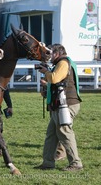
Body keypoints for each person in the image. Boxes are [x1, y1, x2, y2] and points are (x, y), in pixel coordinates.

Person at [34, 43, 83, 171]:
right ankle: (48, 163)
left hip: (66, 105)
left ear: (57, 53)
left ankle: (76, 163)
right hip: (61, 104)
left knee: (65, 133)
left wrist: (45, 71)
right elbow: (57, 82)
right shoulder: (62, 63)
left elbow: (54, 78)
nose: (50, 57)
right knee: (51, 134)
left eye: (51, 54)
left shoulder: (63, 63)